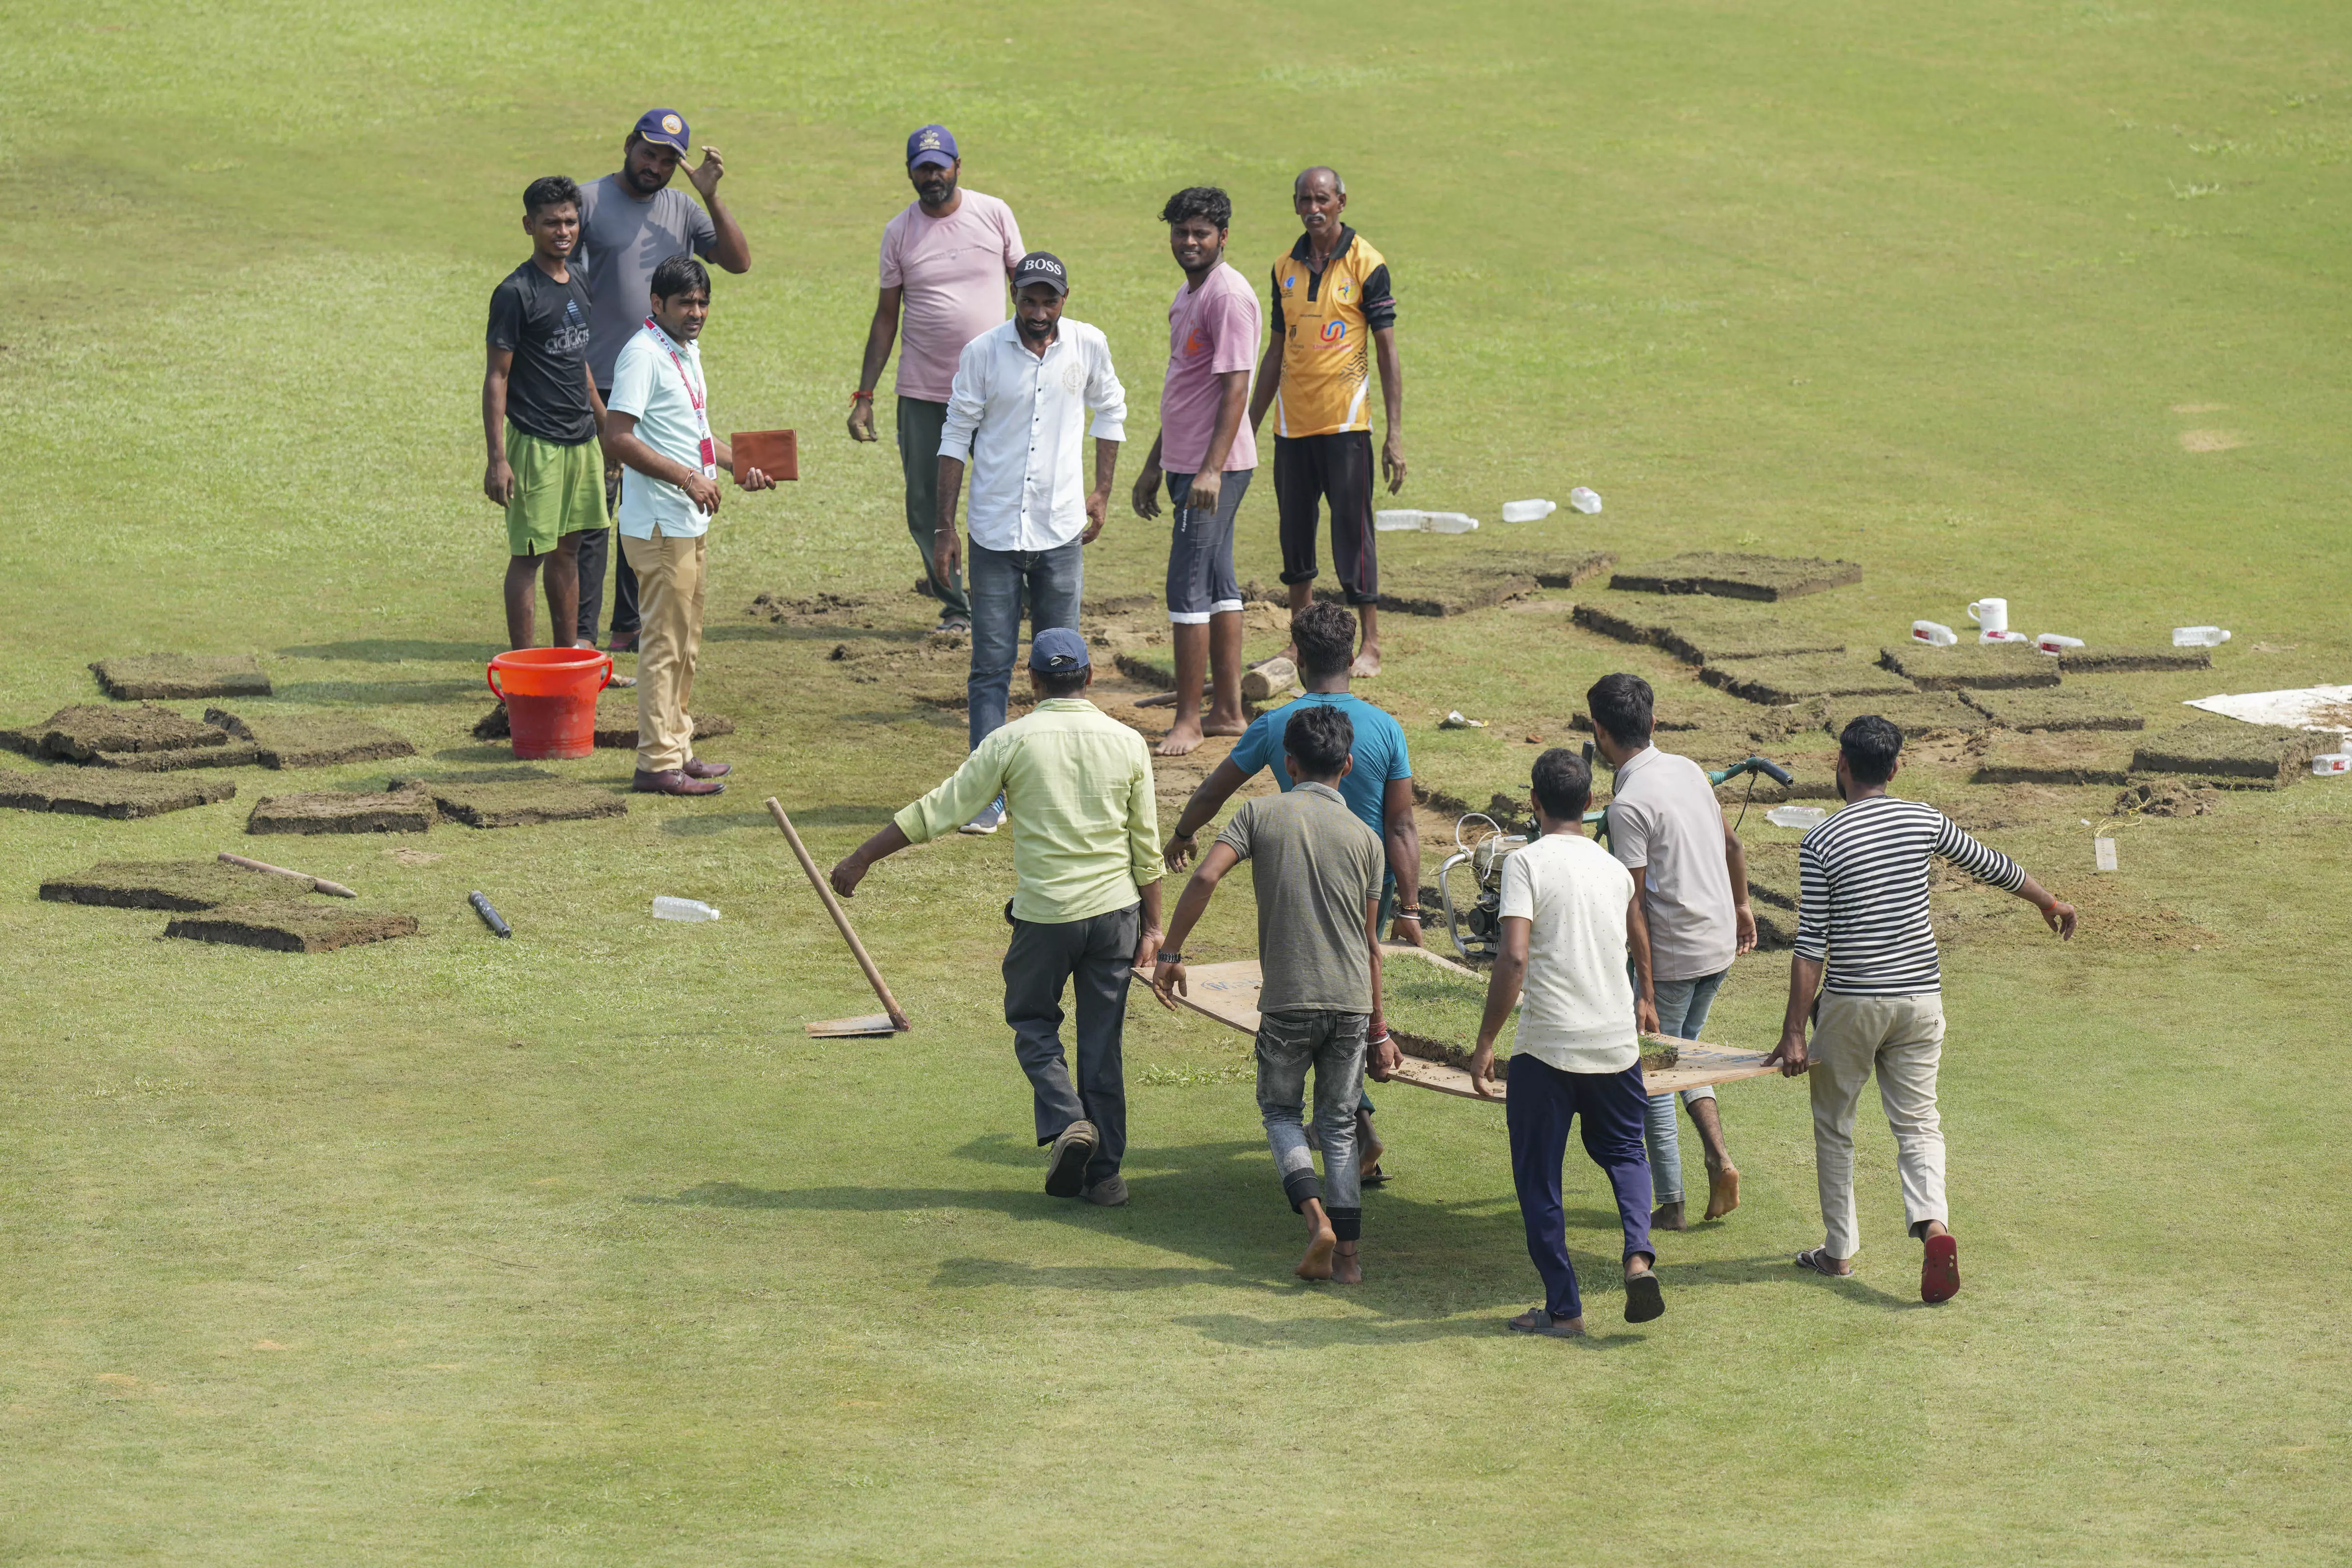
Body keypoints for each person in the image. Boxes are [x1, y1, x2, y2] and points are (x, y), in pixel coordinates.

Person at [830, 629, 1162, 1207]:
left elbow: (941, 808)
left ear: (1031, 681)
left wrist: (862, 858)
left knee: (1034, 1021)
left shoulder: (1012, 740)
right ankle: (1105, 1176)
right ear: (1088, 677)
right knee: (1102, 1045)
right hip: (1116, 913)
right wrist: (1156, 928)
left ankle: (1067, 1120)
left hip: (1047, 916)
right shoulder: (1128, 741)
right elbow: (1147, 847)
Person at [1766, 716, 2078, 1304]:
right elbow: (1992, 864)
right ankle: (1933, 1224)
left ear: (1841, 762)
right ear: (1897, 766)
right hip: (1920, 1000)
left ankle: (1839, 1251)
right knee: (1918, 1123)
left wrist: (1793, 1034)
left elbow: (1810, 946)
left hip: (1853, 1003)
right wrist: (2050, 901)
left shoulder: (1821, 840)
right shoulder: (1922, 818)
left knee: (1836, 1127)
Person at [1162, 600, 1422, 1180]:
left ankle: (1355, 1132)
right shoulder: (1386, 727)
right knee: (1351, 998)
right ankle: (1353, 1133)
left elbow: (1215, 787)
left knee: (1308, 999)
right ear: (1353, 657)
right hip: (1367, 885)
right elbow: (1403, 824)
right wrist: (1409, 906)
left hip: (1299, 879)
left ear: (1297, 658)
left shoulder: (1278, 725)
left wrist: (1181, 833)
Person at [1152, 705, 1397, 1282]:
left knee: (1282, 1112)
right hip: (1352, 1003)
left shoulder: (1259, 813)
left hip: (1289, 1000)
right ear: (1350, 763)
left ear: (1288, 763)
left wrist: (1170, 953)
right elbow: (1370, 945)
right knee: (1338, 1125)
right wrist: (1380, 1030)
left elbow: (1206, 876)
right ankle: (1350, 1262)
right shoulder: (1368, 839)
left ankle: (1316, 1220)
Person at [1468, 749, 1666, 1337]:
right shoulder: (1611, 867)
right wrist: (1646, 995)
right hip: (1614, 1043)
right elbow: (1636, 929)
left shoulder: (1526, 864)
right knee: (1627, 1152)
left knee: (1540, 1180)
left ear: (1533, 802)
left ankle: (1565, 1308)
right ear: (1589, 803)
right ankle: (1637, 1253)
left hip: (1547, 1047)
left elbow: (1515, 955)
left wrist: (1484, 1041)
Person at [934, 251, 1126, 836]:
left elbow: (1112, 411)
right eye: (1029, 299)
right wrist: (944, 527)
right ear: (1013, 293)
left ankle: (1055, 791)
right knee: (991, 665)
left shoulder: (1088, 345)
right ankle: (986, 795)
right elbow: (955, 434)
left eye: (1050, 300)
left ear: (1065, 298)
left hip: (1060, 530)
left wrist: (1101, 492)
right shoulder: (983, 353)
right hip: (993, 532)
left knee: (1062, 666)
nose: (1038, 311)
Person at [573, 109, 751, 660]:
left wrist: (712, 196)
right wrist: (588, 393)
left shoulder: (682, 207)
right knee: (593, 513)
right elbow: (568, 301)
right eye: (649, 152)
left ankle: (628, 625)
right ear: (628, 145)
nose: (656, 166)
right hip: (599, 379)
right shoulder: (588, 202)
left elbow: (738, 262)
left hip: (662, 376)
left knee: (646, 500)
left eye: (669, 159)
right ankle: (583, 635)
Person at [601, 256, 776, 797]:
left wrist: (735, 466)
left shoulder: (683, 349)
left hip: (686, 519)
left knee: (687, 642)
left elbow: (695, 433)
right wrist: (685, 480)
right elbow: (618, 438)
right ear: (657, 305)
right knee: (664, 642)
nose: (696, 312)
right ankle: (655, 762)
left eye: (702, 302)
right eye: (686, 303)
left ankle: (678, 747)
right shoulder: (642, 355)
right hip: (659, 524)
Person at [1587, 673, 1756, 1231]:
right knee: (1684, 1055)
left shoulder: (1628, 803)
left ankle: (1673, 1201)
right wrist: (1745, 907)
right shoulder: (1685, 767)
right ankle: (1718, 1156)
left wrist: (1647, 993)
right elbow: (1733, 843)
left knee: (1652, 1071)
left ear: (1601, 733)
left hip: (1677, 955)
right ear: (1654, 723)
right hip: (1719, 944)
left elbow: (1633, 905)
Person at [849, 124, 1026, 635]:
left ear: (958, 166)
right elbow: (886, 318)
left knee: (1010, 488)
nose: (932, 176)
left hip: (996, 385)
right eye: (922, 168)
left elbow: (1029, 290)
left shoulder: (994, 214)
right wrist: (865, 395)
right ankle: (956, 605)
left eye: (940, 166)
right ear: (910, 172)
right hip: (924, 391)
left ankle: (1020, 592)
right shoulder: (899, 232)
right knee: (928, 500)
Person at [1248, 167, 1405, 678]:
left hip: (1346, 424)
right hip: (1292, 425)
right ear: (1295, 205)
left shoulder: (1367, 263)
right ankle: (1298, 643)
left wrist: (1394, 436)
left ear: (1341, 201)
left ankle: (1372, 643)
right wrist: (1246, 429)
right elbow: (1275, 350)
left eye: (1323, 199)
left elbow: (1386, 351)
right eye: (1304, 200)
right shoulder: (1283, 268)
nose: (1314, 208)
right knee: (1295, 532)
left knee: (1352, 533)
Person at [1129, 185, 1259, 756]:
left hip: (1214, 470)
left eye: (1201, 233)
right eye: (1181, 232)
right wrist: (1154, 463)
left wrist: (1209, 470)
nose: (1189, 242)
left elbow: (1237, 388)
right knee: (1218, 583)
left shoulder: (1227, 297)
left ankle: (1188, 720)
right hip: (1187, 463)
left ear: (1223, 237)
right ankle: (1228, 710)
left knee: (1186, 584)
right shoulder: (1191, 294)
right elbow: (1185, 386)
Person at [482, 175, 607, 652]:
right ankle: (525, 668)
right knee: (530, 555)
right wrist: (498, 458)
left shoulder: (578, 278)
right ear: (528, 225)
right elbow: (497, 377)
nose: (562, 231)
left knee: (570, 551)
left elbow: (578, 362)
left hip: (581, 442)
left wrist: (604, 423)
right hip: (535, 445)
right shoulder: (515, 293)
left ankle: (567, 655)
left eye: (570, 221)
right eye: (551, 222)